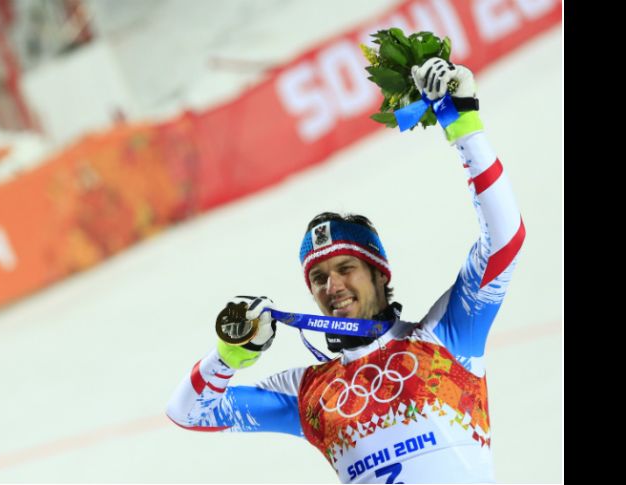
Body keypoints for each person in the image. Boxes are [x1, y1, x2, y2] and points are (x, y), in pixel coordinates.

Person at [166, 57, 525, 484]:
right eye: (318, 278)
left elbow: (504, 239)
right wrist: (229, 356)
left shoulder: (446, 337)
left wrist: (464, 126)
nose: (332, 286)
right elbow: (188, 411)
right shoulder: (309, 393)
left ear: (380, 274)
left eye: (346, 268)